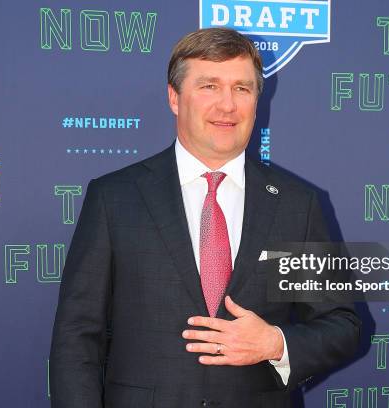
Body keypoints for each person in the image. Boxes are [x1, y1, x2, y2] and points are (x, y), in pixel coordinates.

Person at [49, 27, 361, 408]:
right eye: (209, 86)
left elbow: (341, 324)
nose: (227, 105)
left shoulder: (298, 204)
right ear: (175, 98)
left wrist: (275, 342)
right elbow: (76, 338)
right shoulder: (115, 198)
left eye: (242, 89)